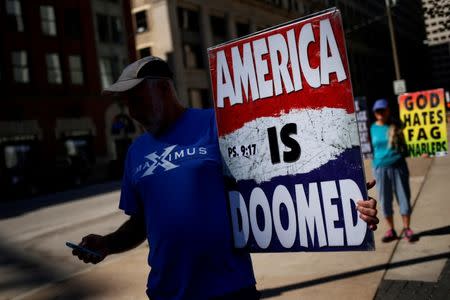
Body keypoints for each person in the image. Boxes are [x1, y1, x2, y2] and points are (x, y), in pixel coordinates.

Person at [71, 56, 379, 300]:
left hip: (230, 290)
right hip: (165, 294)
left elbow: (278, 175)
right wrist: (107, 244)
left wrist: (339, 189)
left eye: (136, 99)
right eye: (126, 103)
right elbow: (141, 223)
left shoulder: (217, 124)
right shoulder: (136, 152)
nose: (132, 111)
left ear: (163, 88)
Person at [370, 98, 413, 243]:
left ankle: (407, 228)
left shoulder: (397, 126)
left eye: (383, 110)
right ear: (374, 113)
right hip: (380, 169)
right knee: (384, 200)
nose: (380, 113)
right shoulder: (371, 129)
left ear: (388, 110)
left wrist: (422, 151)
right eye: (378, 110)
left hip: (398, 166)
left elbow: (409, 146)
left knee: (403, 198)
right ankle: (391, 230)